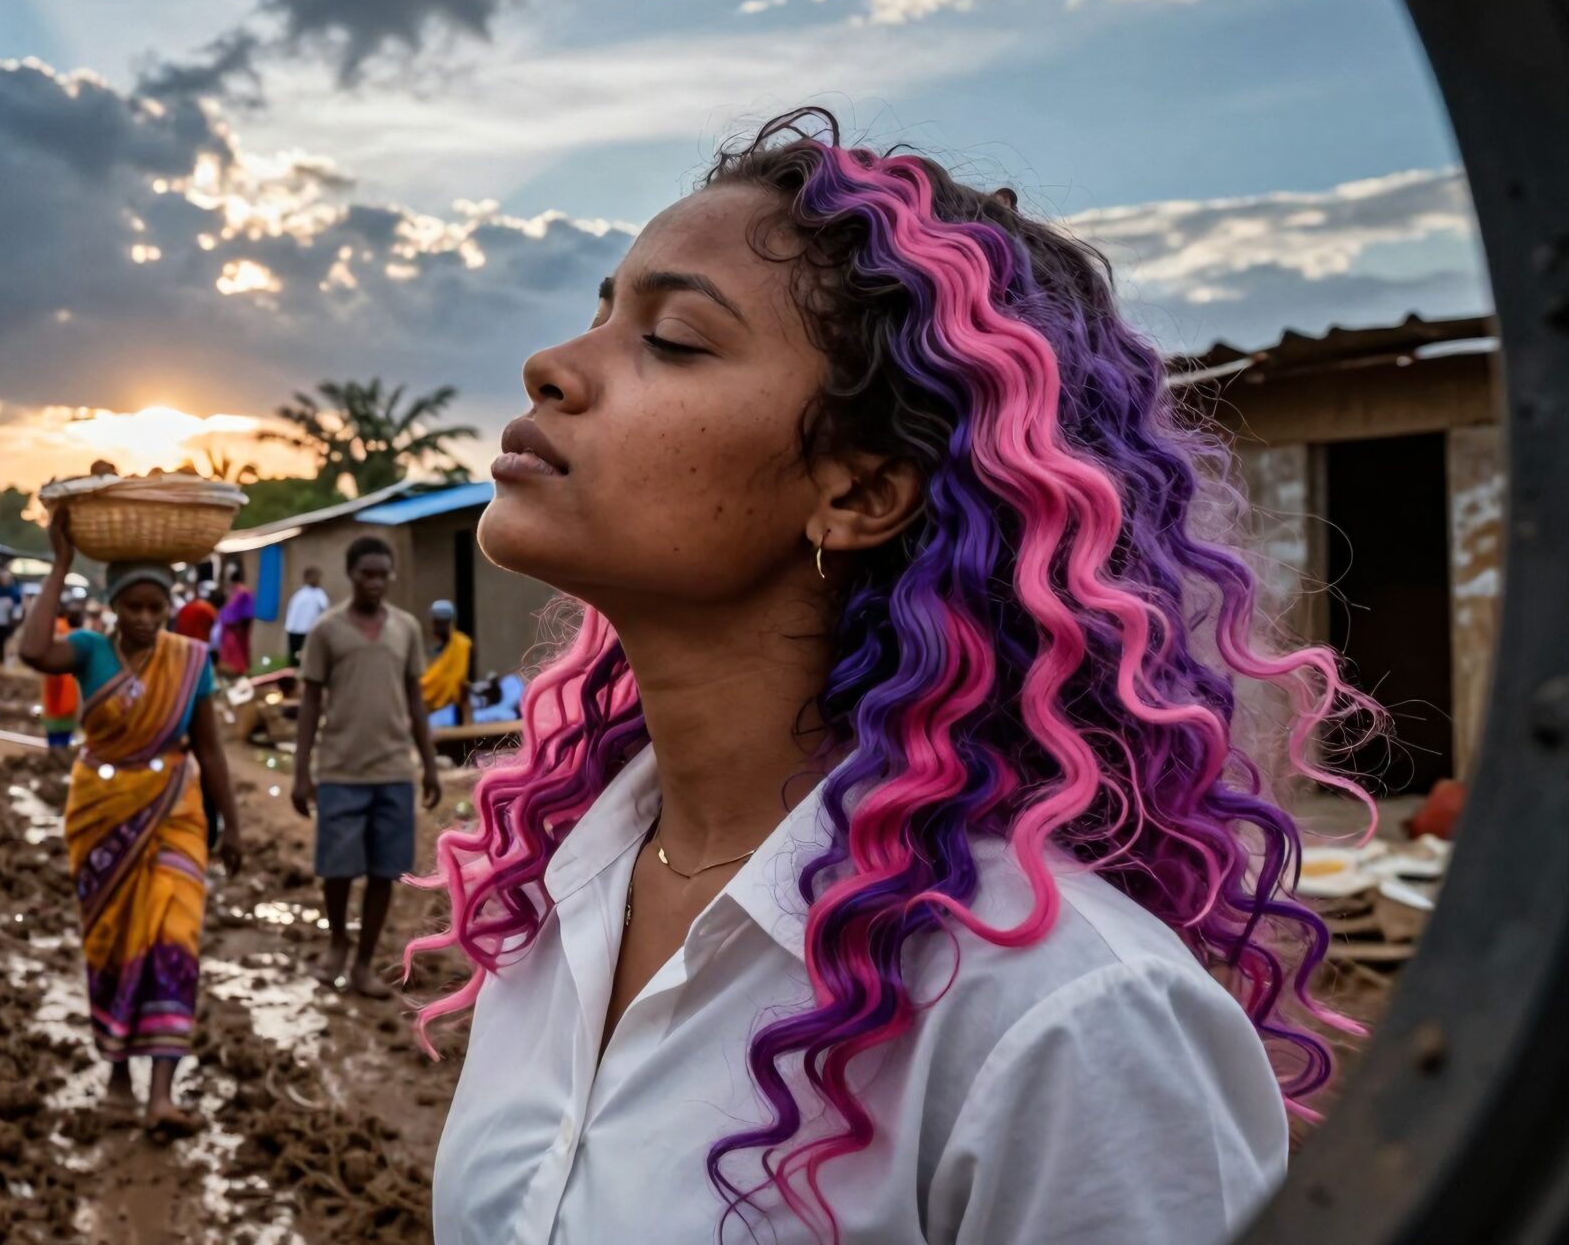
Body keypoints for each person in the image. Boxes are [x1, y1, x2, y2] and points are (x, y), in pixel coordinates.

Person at [414, 110, 1380, 1245]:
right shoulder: (559, 893)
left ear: (860, 493)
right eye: (598, 311)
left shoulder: (1064, 1014)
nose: (551, 367)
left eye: (671, 338)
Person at [21, 509, 244, 1139]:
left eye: (157, 607)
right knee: (113, 943)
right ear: (115, 606)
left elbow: (212, 748)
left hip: (176, 810)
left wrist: (233, 825)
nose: (147, 619)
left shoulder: (190, 659)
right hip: (101, 815)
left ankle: (162, 1095)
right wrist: (61, 565)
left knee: (175, 938)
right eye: (135, 607)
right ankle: (118, 1078)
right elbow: (33, 649)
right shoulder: (90, 650)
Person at [290, 535, 440, 999]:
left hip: (394, 770)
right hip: (340, 771)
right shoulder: (327, 631)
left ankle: (363, 963)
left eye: (382, 574)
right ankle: (337, 942)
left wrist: (429, 765)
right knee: (337, 869)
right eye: (366, 574)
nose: (375, 582)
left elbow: (415, 701)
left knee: (384, 871)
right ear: (351, 575)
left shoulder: (406, 629)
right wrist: (301, 770)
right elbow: (310, 703)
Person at [41, 592, 86, 751]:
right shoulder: (66, 630)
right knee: (62, 716)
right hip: (62, 679)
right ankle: (59, 749)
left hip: (59, 679)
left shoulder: (59, 627)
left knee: (57, 716)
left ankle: (57, 748)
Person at [419, 598, 473, 727]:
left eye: (442, 622)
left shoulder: (462, 645)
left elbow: (462, 684)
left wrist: (467, 721)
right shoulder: (431, 652)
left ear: (450, 623)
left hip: (454, 708)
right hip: (426, 710)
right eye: (436, 623)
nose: (438, 627)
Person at [283, 566, 330, 665]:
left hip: (309, 631)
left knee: (307, 659)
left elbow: (325, 610)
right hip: (295, 631)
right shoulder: (300, 594)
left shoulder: (318, 594)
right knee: (295, 658)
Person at [214, 566, 256, 677]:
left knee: (235, 655)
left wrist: (238, 627)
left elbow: (246, 614)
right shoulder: (239, 592)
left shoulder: (240, 593)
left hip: (235, 629)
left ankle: (237, 674)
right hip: (234, 628)